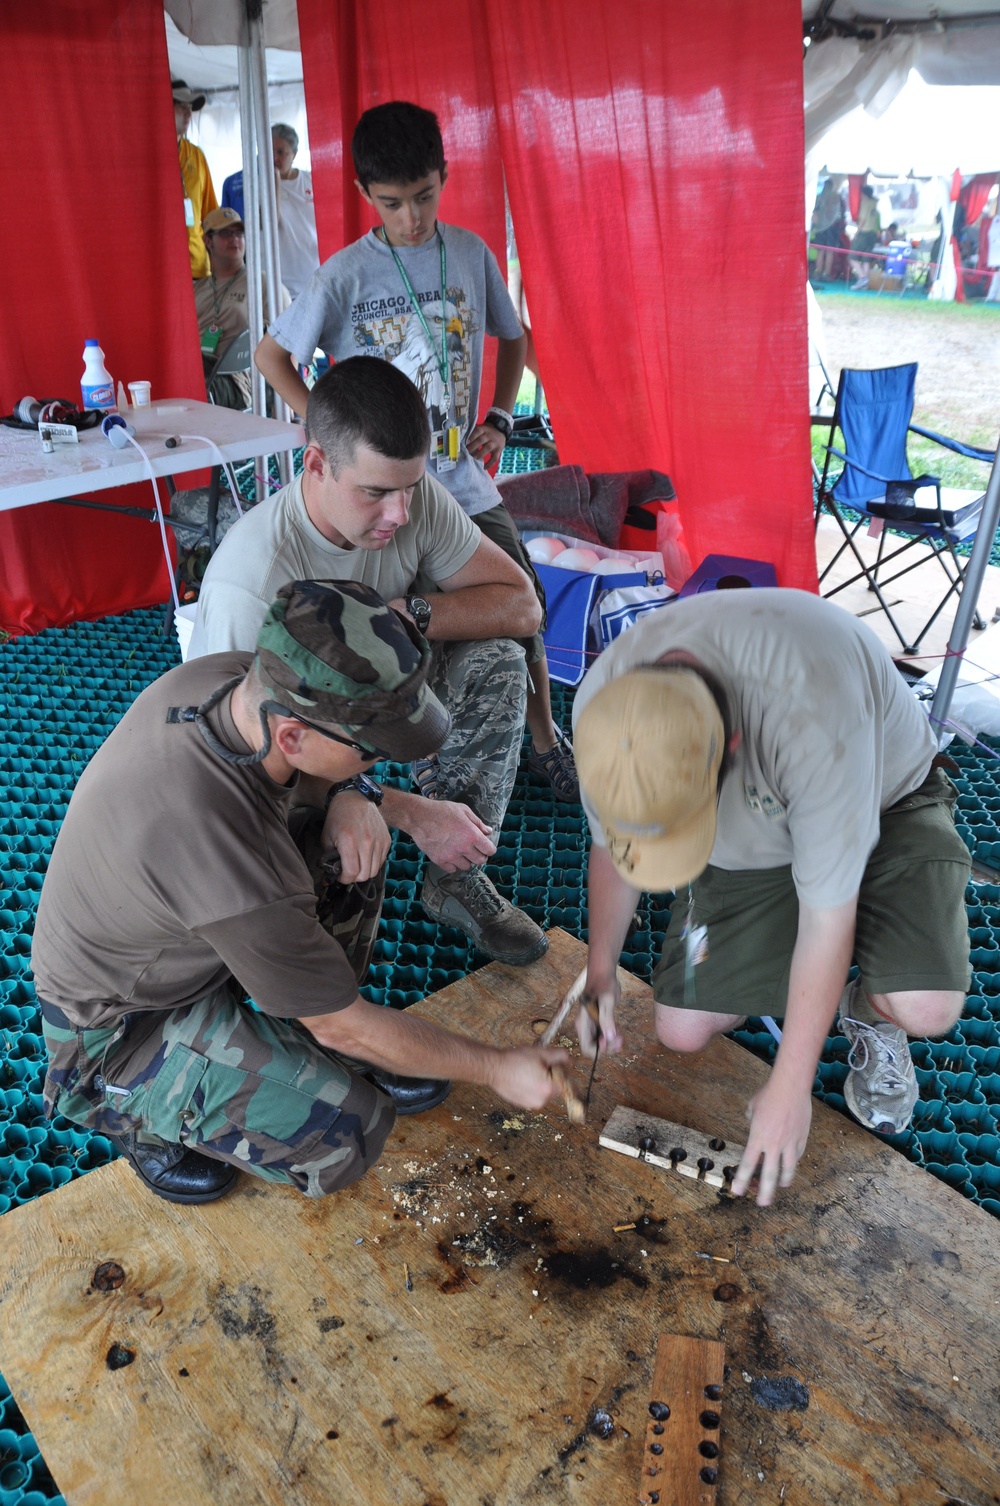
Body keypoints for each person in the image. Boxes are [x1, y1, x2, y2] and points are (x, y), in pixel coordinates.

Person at [31, 579, 572, 1206]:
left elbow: (311, 783)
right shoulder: (227, 852)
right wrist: (499, 1067)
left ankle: (285, 1029)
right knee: (348, 1131)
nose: (378, 764)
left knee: (352, 839)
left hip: (186, 936)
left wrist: (357, 794)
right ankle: (131, 1110)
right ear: (291, 736)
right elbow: (343, 1023)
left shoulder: (236, 681)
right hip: (120, 1027)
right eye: (371, 753)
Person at [571, 589, 970, 1209]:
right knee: (681, 1029)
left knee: (924, 1005)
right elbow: (612, 845)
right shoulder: (606, 711)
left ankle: (872, 1004)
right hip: (760, 836)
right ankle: (821, 957)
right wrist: (600, 974)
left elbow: (825, 919)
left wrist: (791, 1085)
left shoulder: (812, 718)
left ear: (730, 746)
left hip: (888, 798)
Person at [255, 100, 578, 804]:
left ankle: (547, 737)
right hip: (376, 491)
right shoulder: (344, 274)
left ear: (445, 176)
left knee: (520, 605)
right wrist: (333, 432)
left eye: (425, 196)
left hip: (458, 480)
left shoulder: (467, 252)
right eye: (394, 202)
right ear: (364, 195)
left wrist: (498, 413)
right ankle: (408, 755)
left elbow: (512, 333)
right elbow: (271, 356)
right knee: (373, 627)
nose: (411, 217)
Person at [189, 356, 549, 967]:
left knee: (498, 660)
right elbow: (229, 766)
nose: (401, 515)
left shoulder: (409, 498)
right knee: (347, 833)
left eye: (410, 488)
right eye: (377, 493)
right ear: (316, 465)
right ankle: (319, 985)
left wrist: (401, 614)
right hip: (291, 742)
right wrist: (376, 800)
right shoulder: (251, 582)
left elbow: (521, 607)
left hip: (376, 702)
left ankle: (454, 879)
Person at [193, 207, 289, 409]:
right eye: (226, 233)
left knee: (193, 385)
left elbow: (290, 340)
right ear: (208, 241)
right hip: (197, 368)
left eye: (239, 233)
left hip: (237, 380)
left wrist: (286, 402)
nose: (235, 239)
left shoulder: (264, 284)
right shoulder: (196, 289)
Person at [173, 79, 217, 280]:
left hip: (198, 266)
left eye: (190, 108)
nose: (189, 114)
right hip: (163, 265)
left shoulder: (197, 155)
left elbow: (211, 215)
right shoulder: (143, 155)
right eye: (182, 107)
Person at [271, 123, 320, 299]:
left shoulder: (311, 179)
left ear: (294, 154)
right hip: (281, 280)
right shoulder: (260, 186)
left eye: (281, 152)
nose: (274, 158)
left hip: (313, 272)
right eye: (270, 151)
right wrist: (274, 181)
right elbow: (270, 222)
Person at [810, 177, 844, 283]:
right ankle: (827, 274)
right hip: (832, 228)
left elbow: (814, 214)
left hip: (821, 228)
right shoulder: (836, 198)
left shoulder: (818, 198)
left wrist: (815, 226)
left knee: (821, 251)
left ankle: (819, 272)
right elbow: (841, 216)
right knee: (829, 251)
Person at [850, 185, 881, 288]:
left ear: (864, 194)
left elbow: (862, 220)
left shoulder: (865, 203)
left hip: (864, 233)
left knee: (852, 257)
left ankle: (863, 278)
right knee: (866, 259)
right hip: (872, 234)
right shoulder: (874, 204)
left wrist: (856, 233)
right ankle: (864, 284)